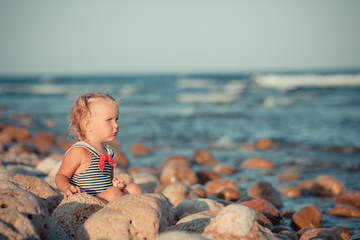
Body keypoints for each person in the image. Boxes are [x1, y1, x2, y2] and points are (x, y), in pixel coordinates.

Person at [55, 92, 142, 203]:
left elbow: (105, 184)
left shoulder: (108, 152)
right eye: (108, 120)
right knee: (114, 193)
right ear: (88, 125)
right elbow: (61, 176)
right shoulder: (80, 151)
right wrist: (67, 187)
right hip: (85, 202)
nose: (116, 125)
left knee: (133, 188)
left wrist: (115, 185)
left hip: (105, 198)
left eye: (116, 119)